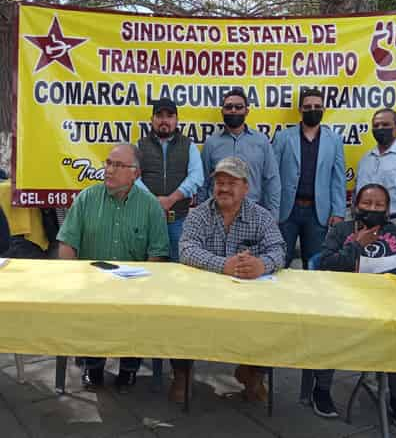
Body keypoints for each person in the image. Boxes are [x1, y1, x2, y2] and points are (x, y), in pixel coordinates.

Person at [57, 144, 169, 392]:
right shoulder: (86, 198)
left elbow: (158, 253)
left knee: (136, 312)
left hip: (134, 286)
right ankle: (93, 366)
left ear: (135, 174)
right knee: (90, 312)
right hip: (91, 285)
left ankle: (129, 368)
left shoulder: (151, 207)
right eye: (108, 163)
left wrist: (143, 287)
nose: (109, 170)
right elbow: (67, 243)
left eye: (118, 165)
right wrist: (72, 280)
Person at [176, 156, 286, 404]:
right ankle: (182, 374)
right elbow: (186, 249)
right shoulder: (199, 215)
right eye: (219, 182)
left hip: (249, 297)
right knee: (178, 318)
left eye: (231, 183)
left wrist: (262, 265)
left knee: (273, 321)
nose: (223, 188)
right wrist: (222, 264)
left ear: (246, 187)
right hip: (203, 296)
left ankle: (253, 372)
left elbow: (278, 250)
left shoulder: (261, 216)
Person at [317, 183, 396, 427]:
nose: (372, 208)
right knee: (332, 331)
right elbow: (325, 263)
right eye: (367, 203)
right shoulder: (341, 231)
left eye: (379, 205)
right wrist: (356, 244)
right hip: (344, 302)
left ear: (388, 210)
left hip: (387, 306)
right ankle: (322, 389)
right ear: (355, 205)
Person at [272, 87, 346, 268]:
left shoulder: (334, 140)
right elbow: (272, 176)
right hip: (286, 211)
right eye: (308, 106)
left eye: (317, 106)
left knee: (314, 263)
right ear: (300, 110)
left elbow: (338, 178)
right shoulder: (283, 137)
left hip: (318, 212)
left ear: (323, 109)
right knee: (279, 260)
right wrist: (271, 209)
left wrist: (338, 212)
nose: (312, 109)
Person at [198, 88, 281, 220]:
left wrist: (273, 215)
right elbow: (203, 182)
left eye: (238, 107)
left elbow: (272, 180)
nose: (233, 110)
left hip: (252, 213)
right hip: (217, 214)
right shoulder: (211, 143)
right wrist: (201, 213)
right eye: (229, 107)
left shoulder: (262, 141)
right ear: (222, 111)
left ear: (246, 111)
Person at [137, 98, 204, 262]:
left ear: (176, 120)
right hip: (147, 219)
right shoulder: (139, 145)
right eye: (159, 116)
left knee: (179, 266)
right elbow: (134, 177)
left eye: (169, 116)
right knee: (148, 266)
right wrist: (153, 201)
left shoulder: (188, 145)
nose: (164, 120)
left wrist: (171, 199)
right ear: (152, 120)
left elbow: (196, 176)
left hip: (179, 220)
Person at [356, 108, 396, 236]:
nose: (380, 128)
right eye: (376, 125)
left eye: (385, 125)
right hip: (365, 225)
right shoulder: (365, 159)